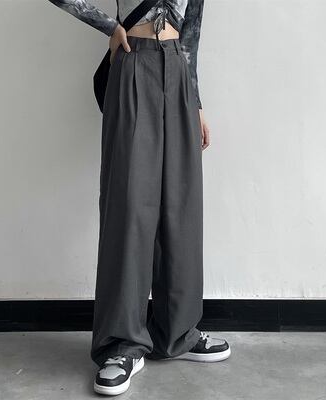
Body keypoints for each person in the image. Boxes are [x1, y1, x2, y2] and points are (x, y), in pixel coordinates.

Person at [47, 0, 231, 395]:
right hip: (133, 62)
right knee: (129, 206)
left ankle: (177, 332)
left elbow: (192, 31)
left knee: (180, 204)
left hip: (177, 70)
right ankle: (122, 344)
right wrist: (108, 25)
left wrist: (196, 101)